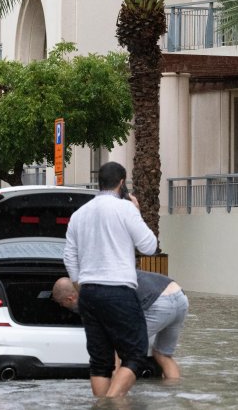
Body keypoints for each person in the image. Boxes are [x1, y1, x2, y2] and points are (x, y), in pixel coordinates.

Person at [63, 161, 158, 398]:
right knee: (136, 354)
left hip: (89, 293)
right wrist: (136, 211)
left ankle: (102, 403)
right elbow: (149, 246)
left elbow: (69, 256)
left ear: (99, 182)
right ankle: (108, 404)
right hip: (119, 292)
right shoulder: (125, 209)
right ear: (122, 183)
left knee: (100, 361)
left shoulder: (79, 214)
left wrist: (80, 285)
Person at [53, 270, 189, 380]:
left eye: (62, 304)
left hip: (159, 303)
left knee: (120, 345)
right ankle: (174, 395)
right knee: (162, 354)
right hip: (180, 297)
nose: (62, 307)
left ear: (70, 298)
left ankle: (114, 396)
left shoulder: (95, 294)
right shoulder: (98, 277)